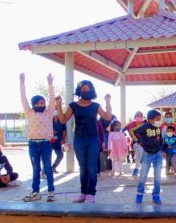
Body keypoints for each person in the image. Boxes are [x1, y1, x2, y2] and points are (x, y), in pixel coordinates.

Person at [56, 80, 112, 204]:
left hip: (93, 139)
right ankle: (83, 193)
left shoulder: (95, 105)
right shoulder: (73, 105)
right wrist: (59, 104)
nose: (86, 91)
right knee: (83, 167)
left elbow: (108, 117)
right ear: (79, 91)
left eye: (88, 89)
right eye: (84, 89)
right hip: (79, 140)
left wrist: (108, 101)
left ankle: (91, 194)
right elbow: (63, 119)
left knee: (92, 167)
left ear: (92, 91)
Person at [20, 73, 56, 202]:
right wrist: (22, 83)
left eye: (44, 102)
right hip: (33, 144)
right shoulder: (29, 113)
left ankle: (51, 192)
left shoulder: (49, 112)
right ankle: (36, 192)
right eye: (40, 103)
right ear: (34, 104)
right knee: (36, 169)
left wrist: (50, 84)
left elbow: (52, 100)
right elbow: (23, 99)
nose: (43, 104)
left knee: (48, 168)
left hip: (46, 144)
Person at [133, 109, 163, 204]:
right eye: (157, 119)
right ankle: (140, 193)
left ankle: (156, 195)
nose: (159, 121)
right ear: (150, 120)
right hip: (147, 154)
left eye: (160, 119)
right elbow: (133, 132)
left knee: (157, 176)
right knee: (143, 176)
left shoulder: (159, 127)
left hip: (158, 154)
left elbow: (160, 138)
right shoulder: (144, 126)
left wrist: (161, 145)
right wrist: (140, 142)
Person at [123, 111, 145, 176]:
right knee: (137, 156)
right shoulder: (132, 123)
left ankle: (143, 170)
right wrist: (120, 132)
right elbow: (125, 128)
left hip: (142, 142)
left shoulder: (144, 123)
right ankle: (136, 168)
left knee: (142, 156)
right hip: (135, 142)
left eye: (141, 115)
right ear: (135, 117)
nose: (139, 117)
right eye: (138, 115)